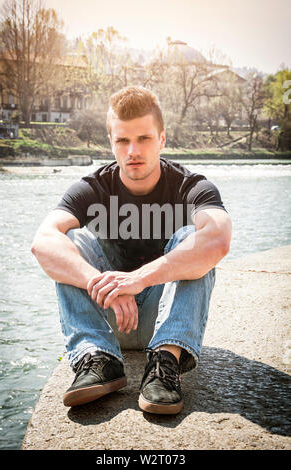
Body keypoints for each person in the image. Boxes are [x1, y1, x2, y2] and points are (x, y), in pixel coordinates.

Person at [31, 86, 232, 415]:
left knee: (192, 239)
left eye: (144, 139)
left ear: (163, 138)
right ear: (111, 142)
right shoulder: (93, 186)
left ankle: (164, 367)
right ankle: (97, 359)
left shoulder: (190, 186)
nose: (132, 150)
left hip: (164, 319)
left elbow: (219, 239)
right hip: (110, 317)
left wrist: (137, 279)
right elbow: (42, 242)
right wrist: (107, 284)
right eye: (122, 140)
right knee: (73, 241)